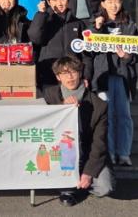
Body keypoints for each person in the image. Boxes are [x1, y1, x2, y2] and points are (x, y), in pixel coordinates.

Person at [43, 56, 113, 207]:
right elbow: (43, 126)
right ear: (58, 77)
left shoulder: (99, 105)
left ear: (80, 73)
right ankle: (69, 187)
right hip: (59, 152)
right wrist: (62, 108)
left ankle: (80, 186)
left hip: (87, 153)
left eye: (74, 72)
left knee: (105, 187)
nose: (70, 77)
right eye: (64, 73)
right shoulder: (49, 95)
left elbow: (99, 143)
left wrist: (88, 173)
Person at [91, 0, 138, 166]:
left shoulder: (129, 24)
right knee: (107, 116)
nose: (113, 5)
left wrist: (126, 56)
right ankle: (109, 152)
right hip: (103, 76)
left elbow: (137, 53)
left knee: (124, 116)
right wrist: (97, 28)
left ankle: (124, 153)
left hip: (122, 76)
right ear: (102, 4)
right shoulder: (96, 23)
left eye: (116, 1)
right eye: (109, 2)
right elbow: (89, 48)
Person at [28, 0, 86, 90]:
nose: (59, 3)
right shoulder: (43, 19)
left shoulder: (78, 23)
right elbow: (35, 38)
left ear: (68, 0)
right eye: (54, 0)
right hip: (48, 74)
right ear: (49, 2)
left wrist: (86, 76)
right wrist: (41, 14)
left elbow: (86, 54)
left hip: (72, 77)